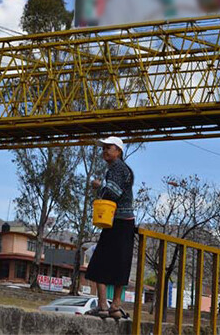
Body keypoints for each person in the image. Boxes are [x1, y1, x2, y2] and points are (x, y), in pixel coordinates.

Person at [84, 136, 136, 320]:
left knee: (99, 263)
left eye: (109, 147)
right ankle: (115, 306)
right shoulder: (124, 169)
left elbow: (111, 194)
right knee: (121, 264)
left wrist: (99, 188)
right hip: (126, 222)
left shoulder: (116, 169)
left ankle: (103, 305)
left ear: (119, 151)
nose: (105, 151)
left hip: (116, 222)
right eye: (104, 148)